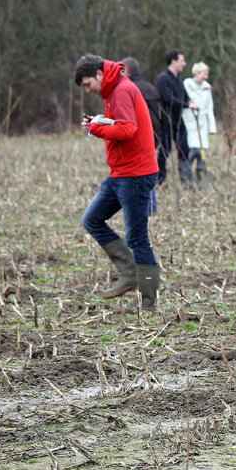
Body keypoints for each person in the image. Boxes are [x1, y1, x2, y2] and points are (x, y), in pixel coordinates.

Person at [74, 54, 160, 311]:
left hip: (135, 174)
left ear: (99, 74)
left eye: (88, 84)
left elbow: (127, 130)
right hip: (120, 173)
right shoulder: (112, 90)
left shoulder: (121, 90)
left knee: (137, 238)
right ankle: (129, 272)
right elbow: (121, 125)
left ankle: (148, 303)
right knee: (91, 219)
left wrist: (96, 129)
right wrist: (100, 121)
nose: (87, 90)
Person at [121, 57, 162, 214]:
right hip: (155, 136)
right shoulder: (151, 88)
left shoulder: (129, 90)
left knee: (140, 174)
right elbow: (160, 115)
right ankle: (151, 207)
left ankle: (147, 208)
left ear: (127, 71)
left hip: (139, 137)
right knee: (149, 172)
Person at [155, 50, 198, 186]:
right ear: (173, 61)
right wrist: (187, 105)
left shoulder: (180, 79)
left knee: (184, 148)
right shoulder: (162, 78)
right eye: (182, 61)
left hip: (179, 120)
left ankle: (186, 180)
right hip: (166, 120)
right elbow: (168, 99)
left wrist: (190, 101)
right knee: (164, 151)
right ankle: (160, 180)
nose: (184, 64)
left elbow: (183, 96)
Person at [182, 62, 217, 188]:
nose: (206, 76)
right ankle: (186, 177)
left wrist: (212, 127)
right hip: (190, 122)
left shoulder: (207, 88)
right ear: (196, 73)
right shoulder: (187, 85)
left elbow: (209, 108)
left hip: (203, 124)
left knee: (202, 152)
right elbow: (184, 101)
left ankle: (201, 177)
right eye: (204, 73)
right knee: (193, 150)